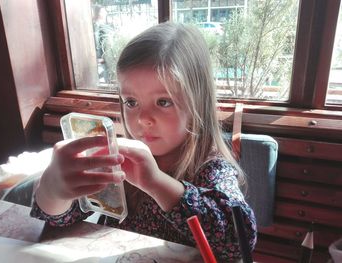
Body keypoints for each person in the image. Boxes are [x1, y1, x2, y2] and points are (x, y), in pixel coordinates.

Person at [30, 22, 257, 261]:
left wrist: (156, 182)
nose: (143, 119)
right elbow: (59, 218)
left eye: (163, 102)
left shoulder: (211, 168)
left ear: (197, 104)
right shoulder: (119, 163)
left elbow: (238, 239)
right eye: (131, 102)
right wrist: (54, 188)